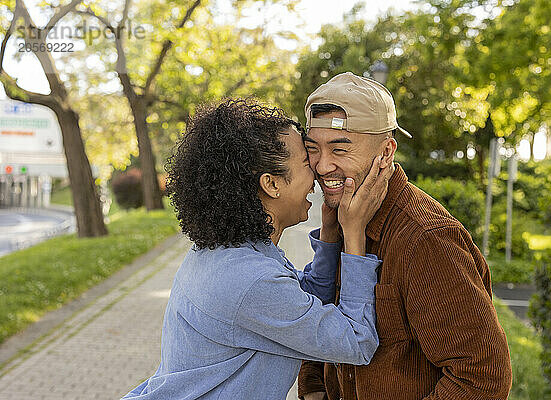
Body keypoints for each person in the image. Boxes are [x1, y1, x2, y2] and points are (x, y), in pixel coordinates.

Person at [121, 99, 393, 400]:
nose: (318, 171)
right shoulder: (251, 280)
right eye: (307, 161)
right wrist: (354, 234)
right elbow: (356, 342)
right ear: (272, 184)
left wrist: (331, 232)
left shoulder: (234, 253)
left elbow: (304, 303)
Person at [298, 72, 512, 400]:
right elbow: (323, 322)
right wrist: (314, 386)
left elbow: (482, 376)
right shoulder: (348, 216)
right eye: (313, 148)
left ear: (386, 152)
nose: (322, 166)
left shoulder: (425, 239)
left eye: (339, 150)